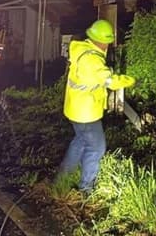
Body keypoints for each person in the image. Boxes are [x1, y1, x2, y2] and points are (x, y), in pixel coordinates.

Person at [56, 18, 135, 194]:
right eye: (107, 42)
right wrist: (127, 80)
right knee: (96, 147)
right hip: (86, 112)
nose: (108, 46)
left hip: (75, 108)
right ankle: (86, 188)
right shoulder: (92, 60)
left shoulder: (83, 49)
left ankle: (62, 178)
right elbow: (108, 80)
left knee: (80, 141)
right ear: (101, 41)